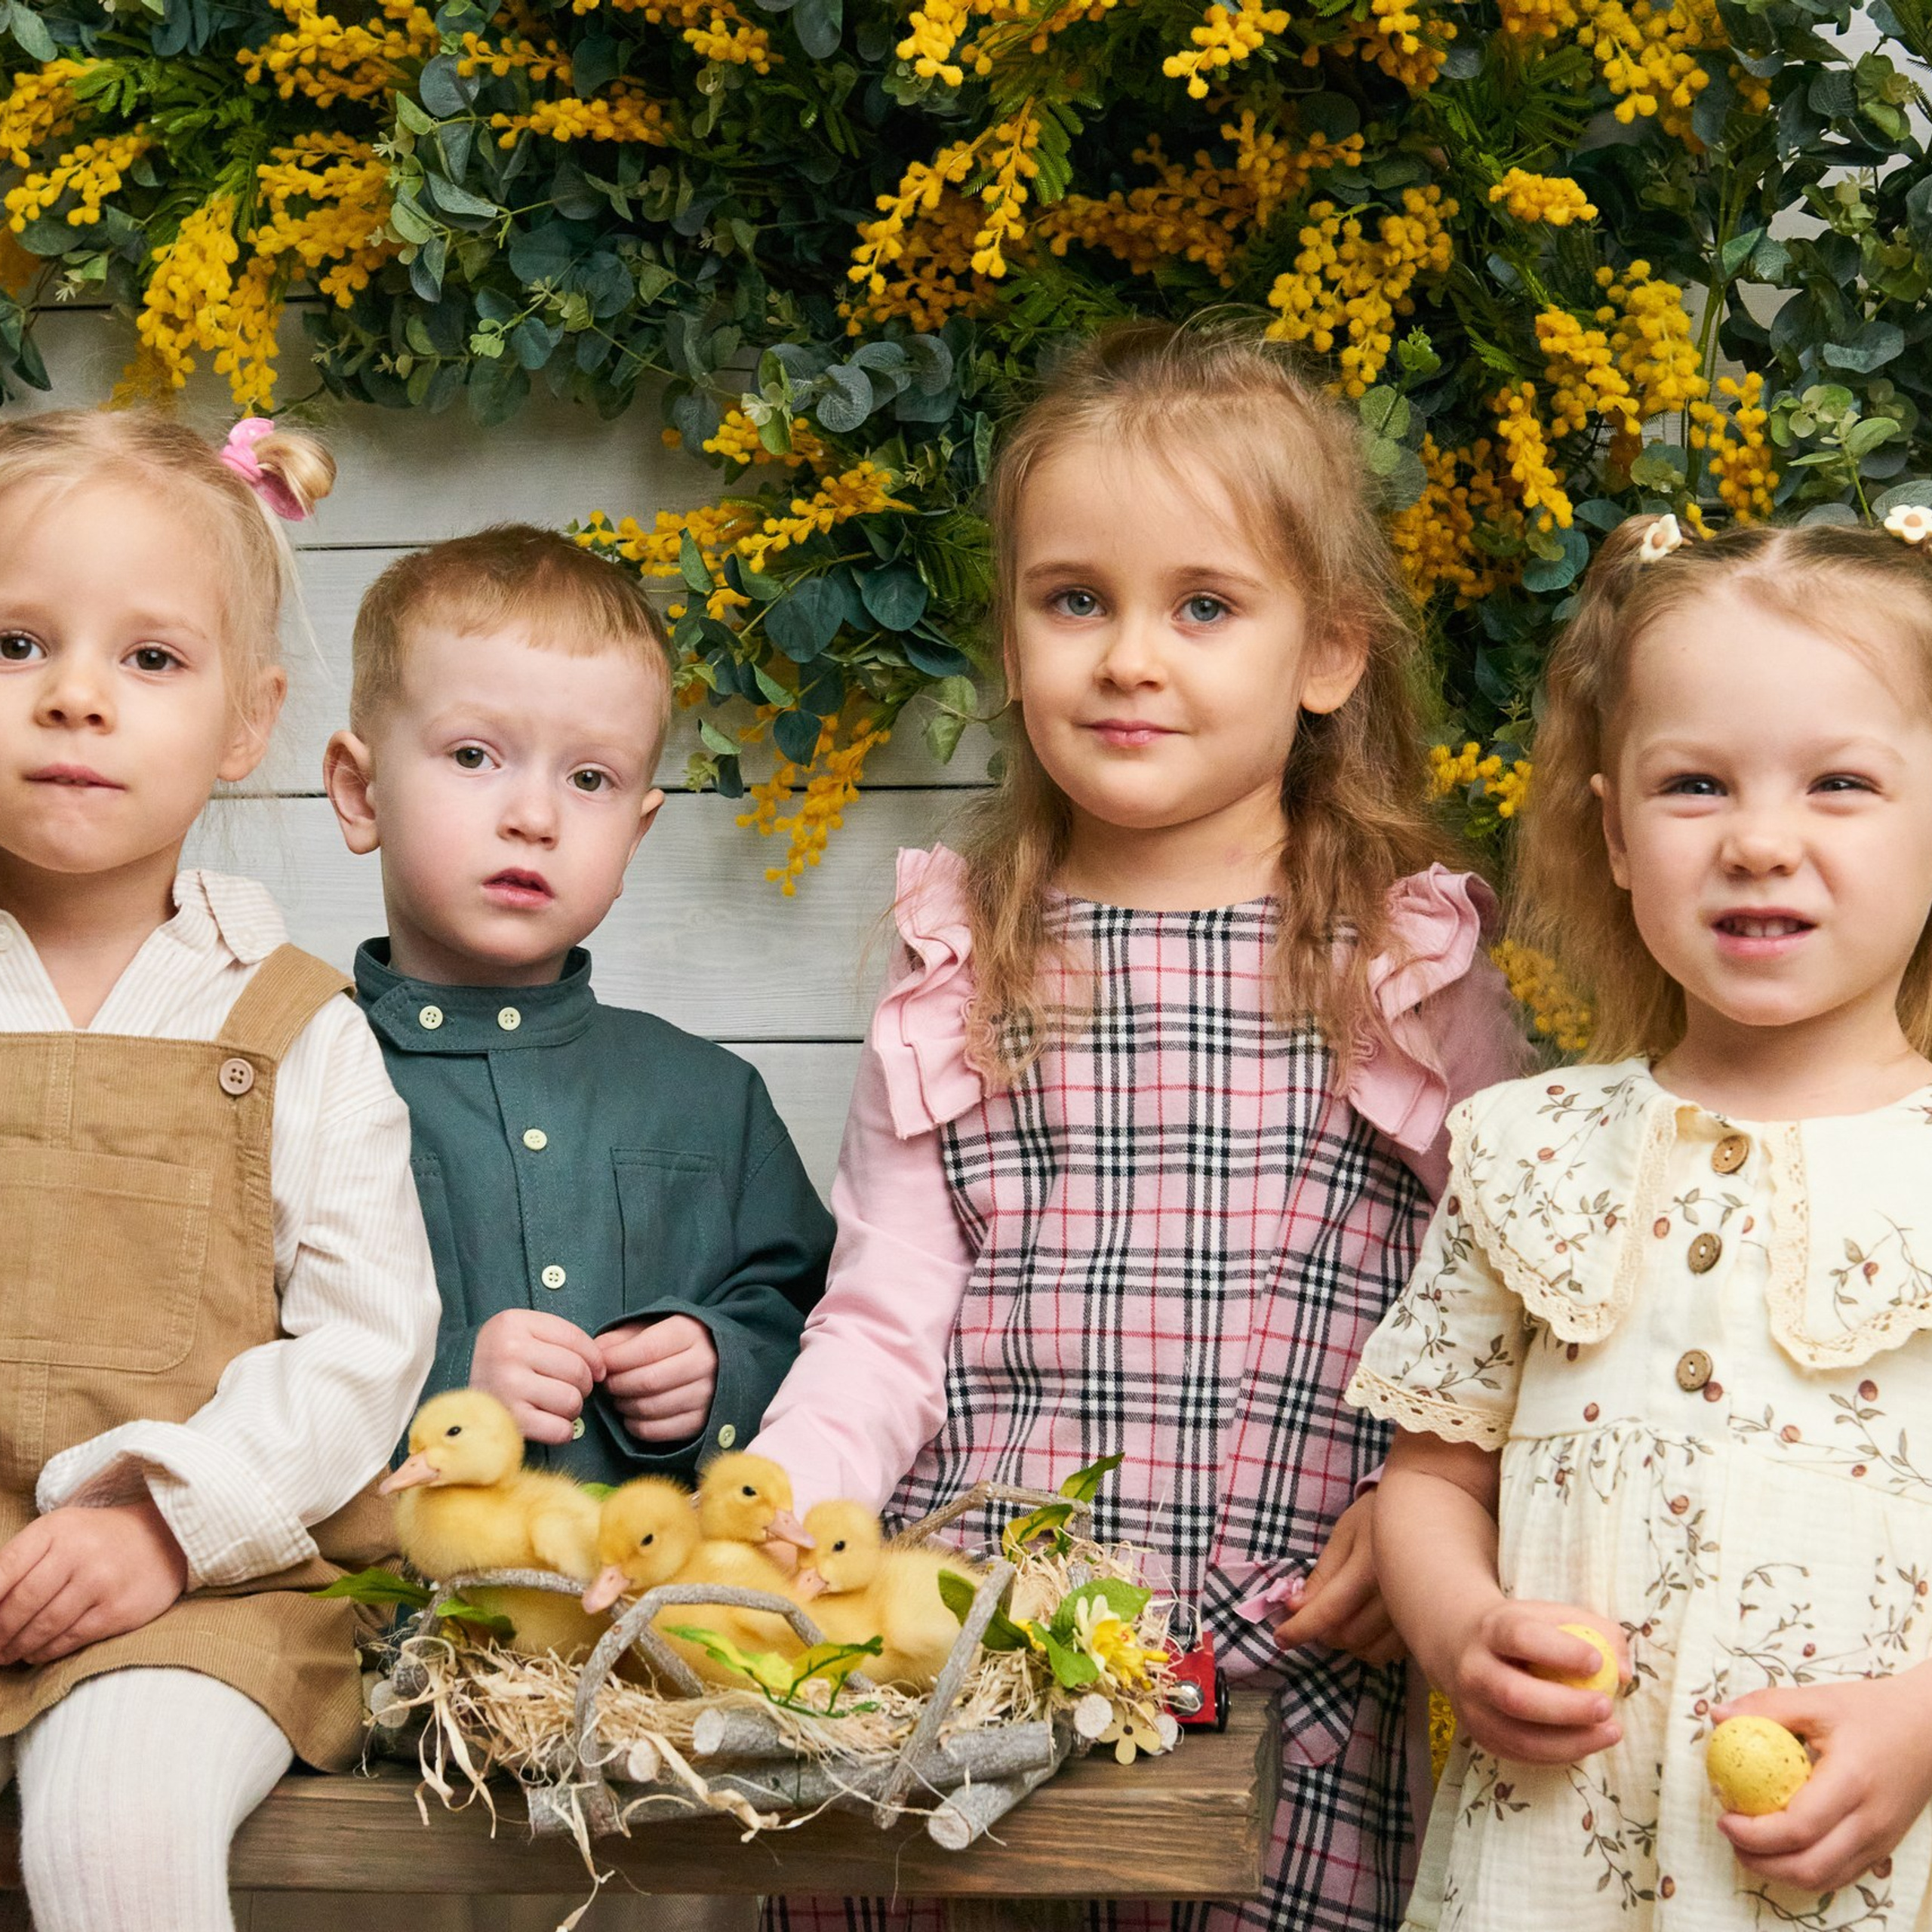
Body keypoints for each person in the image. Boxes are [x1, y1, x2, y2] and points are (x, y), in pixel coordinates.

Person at [752, 318, 1527, 1932]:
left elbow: (1522, 1308)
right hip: (967, 1652)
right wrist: (779, 1509)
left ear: (1325, 652)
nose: (1126, 655)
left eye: (1202, 605)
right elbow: (883, 1321)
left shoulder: (1404, 969)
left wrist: (1428, 1498)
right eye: (1073, 599)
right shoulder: (962, 964)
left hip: (1280, 1666)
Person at [1355, 510, 1932, 1927]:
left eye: (1842, 783)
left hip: (1860, 1862)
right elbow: (1430, 1480)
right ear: (1613, 832)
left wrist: (1924, 1723)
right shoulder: (1527, 1151)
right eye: (1695, 786)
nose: (1759, 842)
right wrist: (1461, 1628)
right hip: (1551, 1861)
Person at [0, 408, 438, 1932]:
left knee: (116, 1827)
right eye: (16, 643)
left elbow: (364, 1347)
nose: (73, 698)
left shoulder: (295, 1024)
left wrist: (164, 1519)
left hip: (192, 1591)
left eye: (150, 659)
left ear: (248, 723)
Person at [323, 525, 832, 1486]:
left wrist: (724, 1363)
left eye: (589, 778)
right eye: (475, 755)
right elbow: (231, 1353)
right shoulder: (293, 1075)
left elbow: (815, 1315)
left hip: (652, 1623)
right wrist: (441, 1386)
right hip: (371, 1624)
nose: (535, 815)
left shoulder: (713, 1098)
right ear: (361, 791)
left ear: (636, 834)